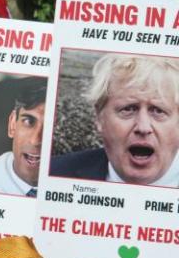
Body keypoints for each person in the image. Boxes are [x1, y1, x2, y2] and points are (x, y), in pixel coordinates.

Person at [51, 53, 179, 186]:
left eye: (158, 111)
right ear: (100, 117)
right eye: (128, 109)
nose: (143, 127)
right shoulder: (52, 173)